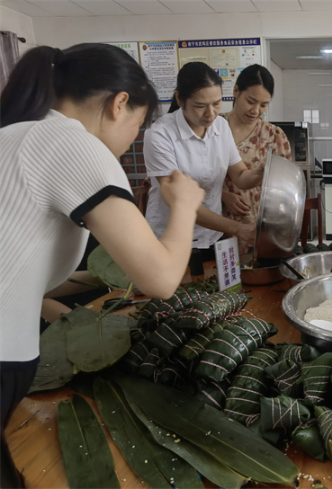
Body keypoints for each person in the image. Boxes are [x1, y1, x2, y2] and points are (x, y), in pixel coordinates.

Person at [0, 43, 204, 487]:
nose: (132, 137)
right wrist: (185, 205)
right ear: (119, 104)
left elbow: (16, 269)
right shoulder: (75, 144)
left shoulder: (16, 134)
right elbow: (162, 280)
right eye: (137, 124)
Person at [144, 62, 263, 258]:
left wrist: (261, 171)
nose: (211, 114)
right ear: (180, 99)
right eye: (200, 106)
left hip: (213, 237)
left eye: (217, 103)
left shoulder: (221, 127)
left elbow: (240, 176)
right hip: (172, 240)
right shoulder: (160, 135)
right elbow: (180, 202)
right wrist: (238, 228)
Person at [221, 64, 291, 223]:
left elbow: (283, 189)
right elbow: (196, 178)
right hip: (216, 225)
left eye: (263, 105)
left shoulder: (274, 136)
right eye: (250, 101)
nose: (256, 110)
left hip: (259, 224)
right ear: (236, 91)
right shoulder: (213, 128)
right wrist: (223, 196)